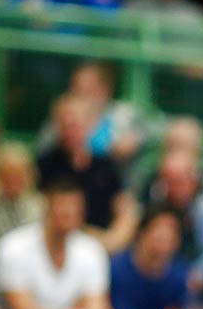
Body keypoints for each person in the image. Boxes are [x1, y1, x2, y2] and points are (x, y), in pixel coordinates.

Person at [0, 181, 113, 309]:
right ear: (47, 207)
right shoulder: (14, 246)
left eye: (75, 206)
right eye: (63, 205)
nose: (69, 212)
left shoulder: (92, 251)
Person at [34, 95, 136, 252]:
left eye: (75, 123)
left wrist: (111, 240)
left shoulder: (107, 166)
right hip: (58, 243)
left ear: (90, 124)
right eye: (64, 123)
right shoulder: (44, 165)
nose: (70, 129)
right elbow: (39, 211)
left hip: (102, 245)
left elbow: (126, 212)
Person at [109, 208, 194, 309]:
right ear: (141, 233)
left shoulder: (179, 275)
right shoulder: (117, 268)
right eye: (158, 232)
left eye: (171, 234)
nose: (164, 238)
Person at [145, 150, 203, 292]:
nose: (172, 187)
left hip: (192, 282)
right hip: (157, 277)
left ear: (192, 181)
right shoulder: (156, 207)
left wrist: (198, 276)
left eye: (177, 181)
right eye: (167, 180)